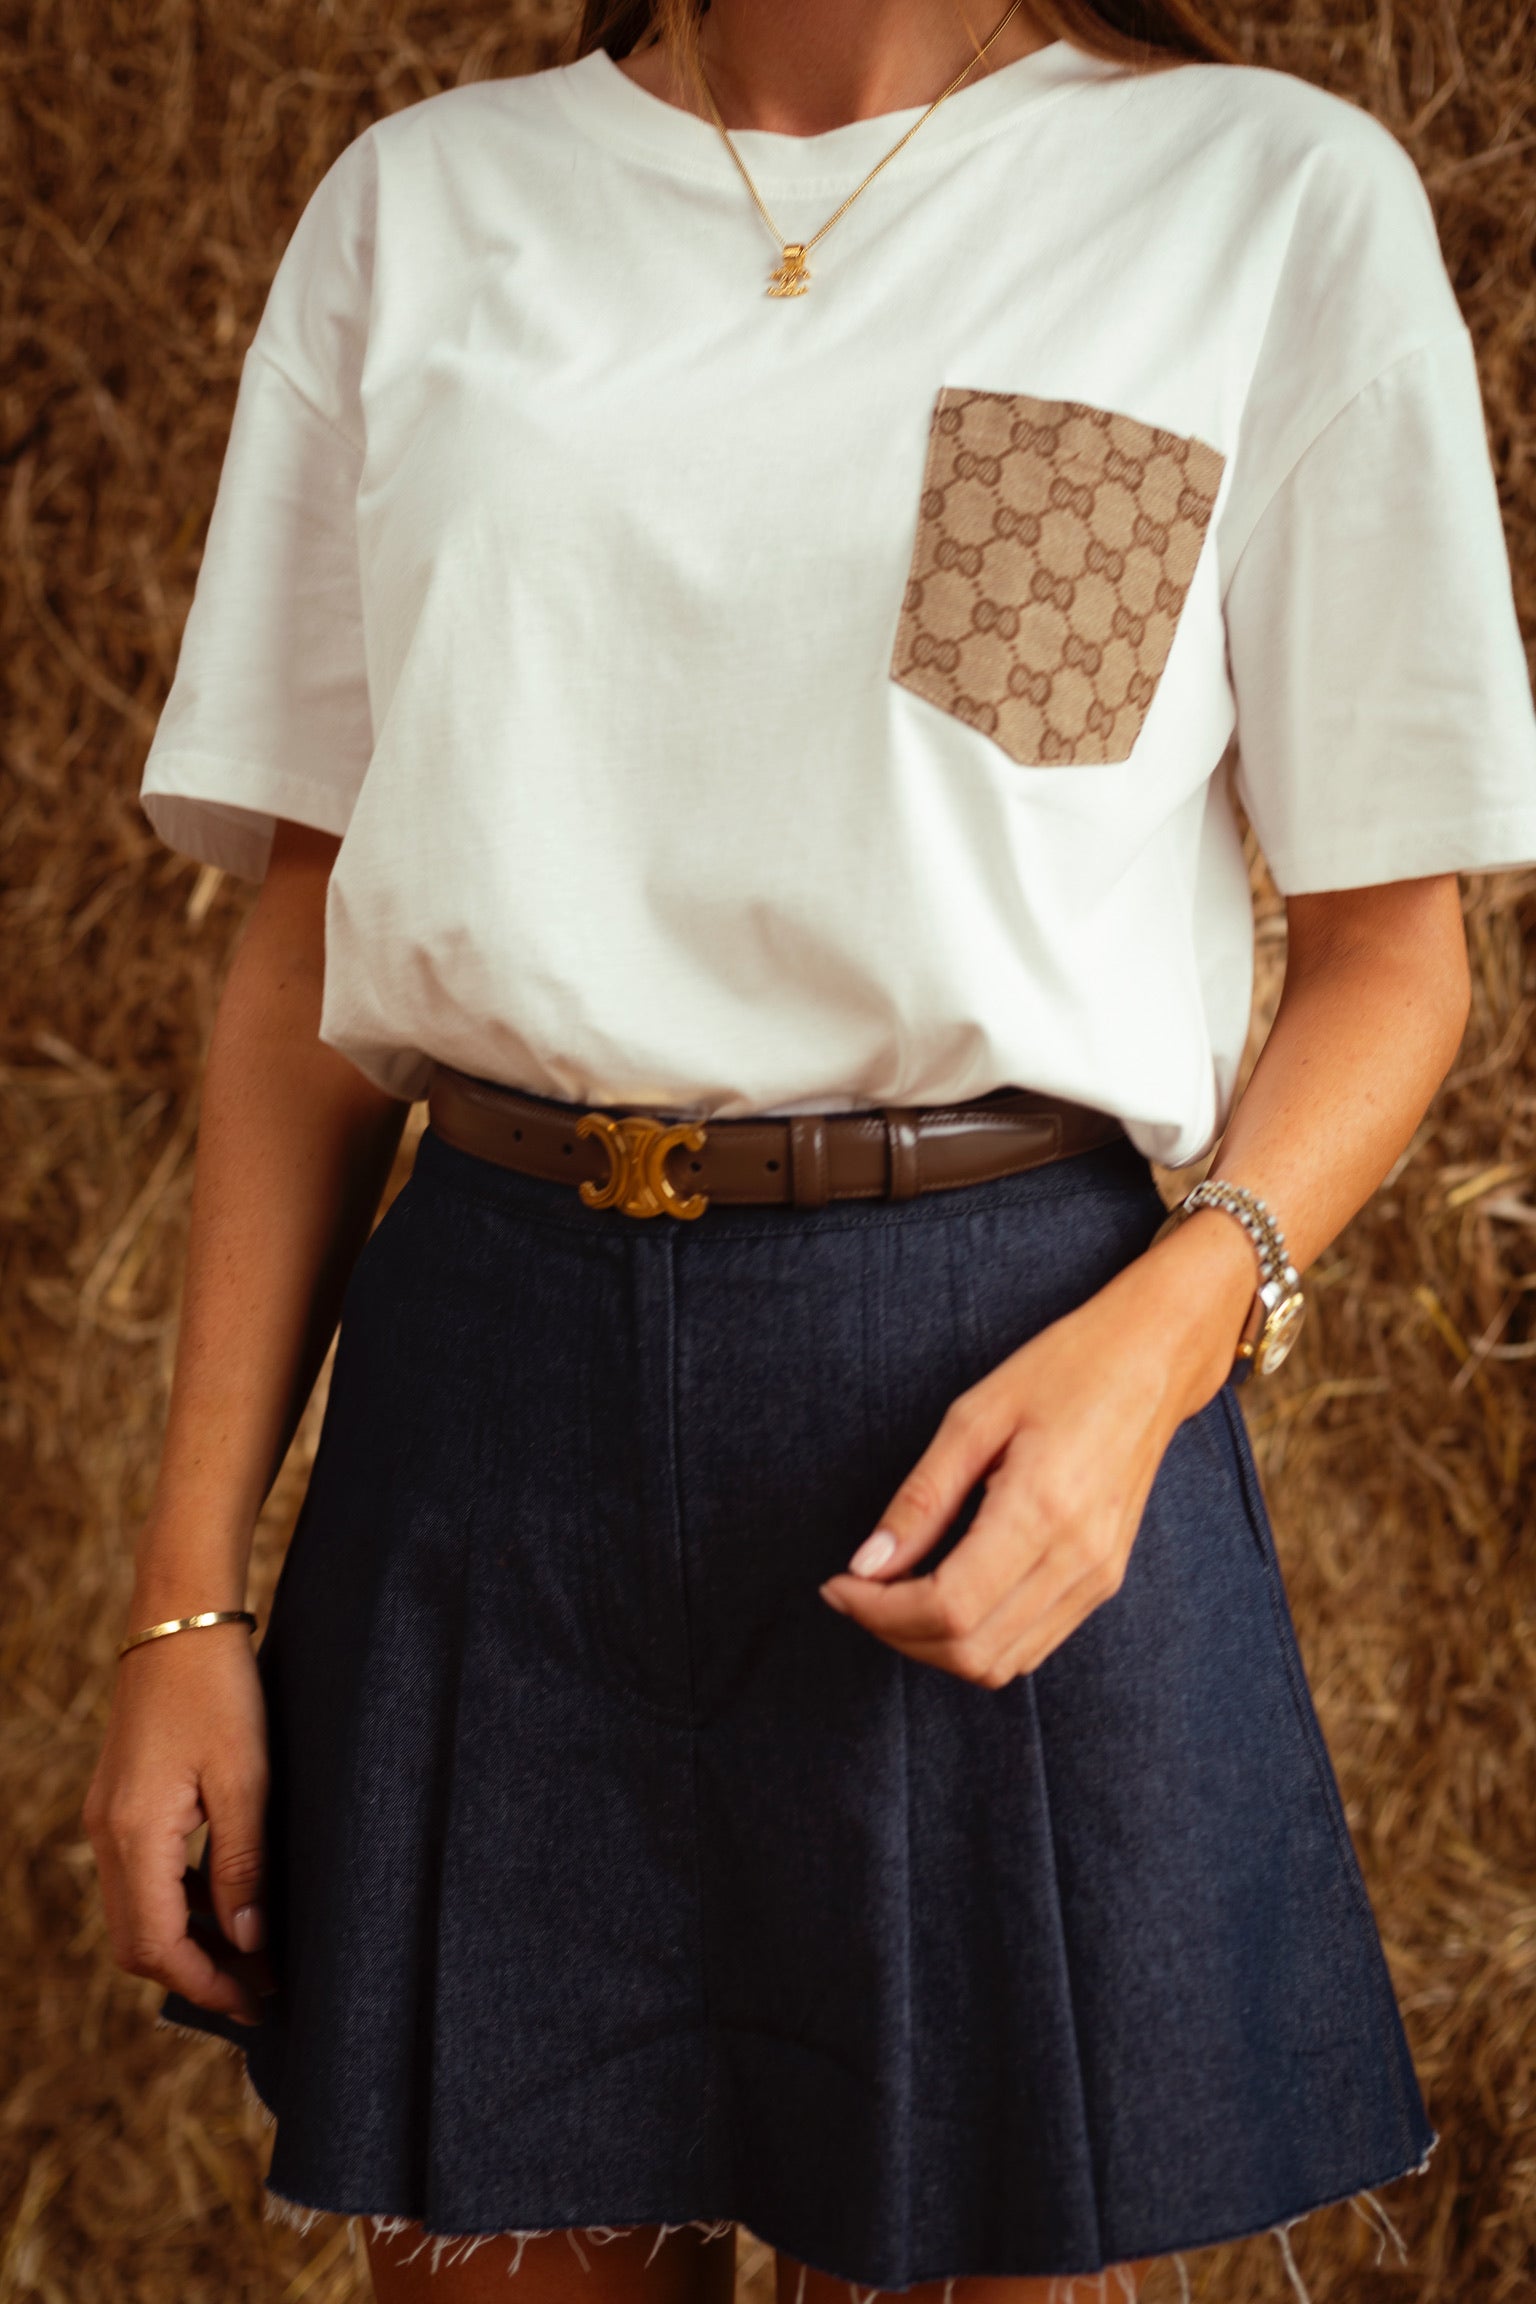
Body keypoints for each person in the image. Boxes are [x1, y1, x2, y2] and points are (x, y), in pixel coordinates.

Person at [84, 0, 1536, 2298]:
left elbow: (1392, 954)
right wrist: (183, 1600)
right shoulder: (423, 210)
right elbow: (304, 950)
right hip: (492, 1412)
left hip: (988, 1404)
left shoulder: (1256, 198)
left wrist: (1166, 1342)